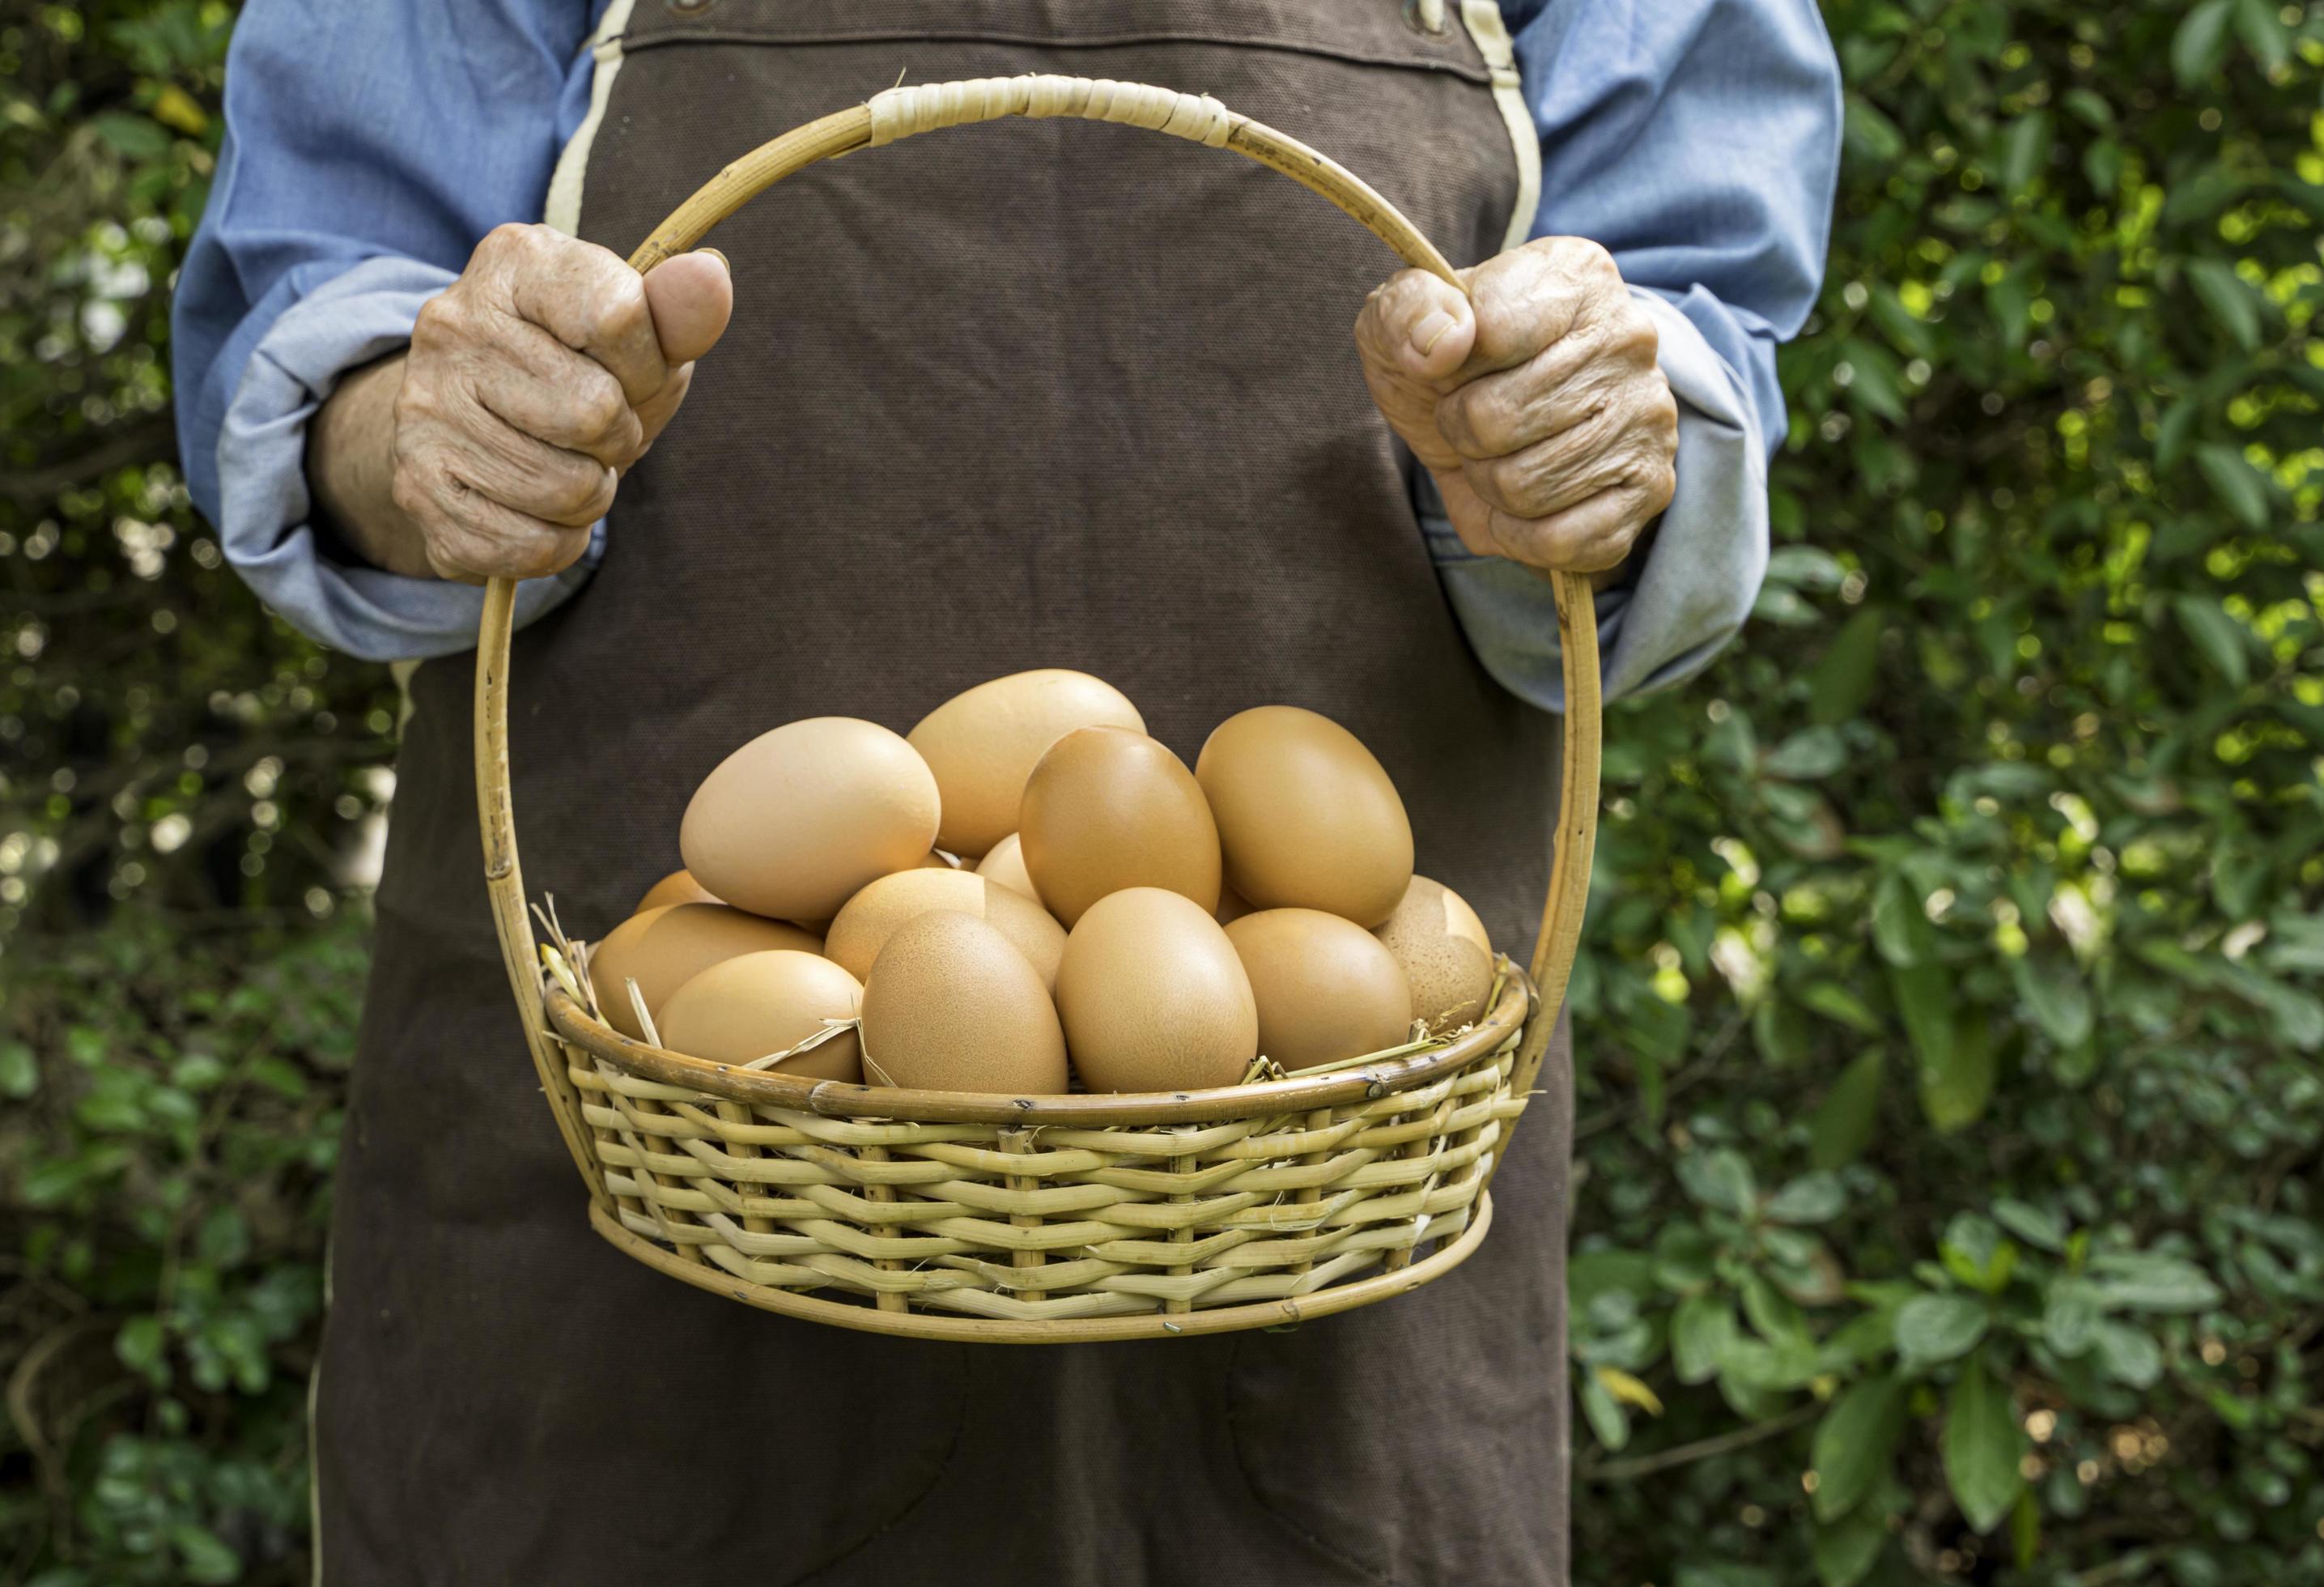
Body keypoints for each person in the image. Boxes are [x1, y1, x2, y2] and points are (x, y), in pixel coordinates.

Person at [172, 2, 1839, 1581]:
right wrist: (435, 425)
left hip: (1332, 1202)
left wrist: (1591, 425)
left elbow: (1683, 309)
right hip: (657, 1170)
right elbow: (332, 302)